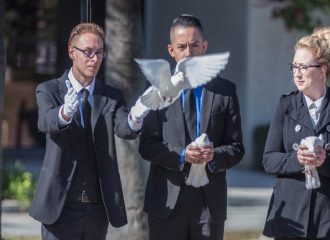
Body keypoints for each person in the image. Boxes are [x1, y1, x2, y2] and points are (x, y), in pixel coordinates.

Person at [29, 22, 151, 240]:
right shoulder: (49, 90)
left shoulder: (111, 96)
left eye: (99, 53)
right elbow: (45, 122)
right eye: (87, 52)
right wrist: (64, 113)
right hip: (60, 208)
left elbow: (123, 128)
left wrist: (136, 116)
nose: (94, 59)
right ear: (71, 52)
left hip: (97, 210)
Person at [139, 14, 245, 240]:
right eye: (182, 46)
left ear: (204, 46)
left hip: (209, 204)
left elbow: (236, 147)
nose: (188, 53)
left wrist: (213, 155)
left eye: (195, 45)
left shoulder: (225, 91)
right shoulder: (156, 89)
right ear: (171, 50)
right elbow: (147, 145)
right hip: (166, 201)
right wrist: (182, 155)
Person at [262, 27, 330, 240]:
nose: (297, 73)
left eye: (304, 67)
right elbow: (269, 160)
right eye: (294, 66)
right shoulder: (286, 105)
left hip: (326, 218)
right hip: (290, 218)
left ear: (323, 70)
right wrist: (297, 159)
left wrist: (324, 160)